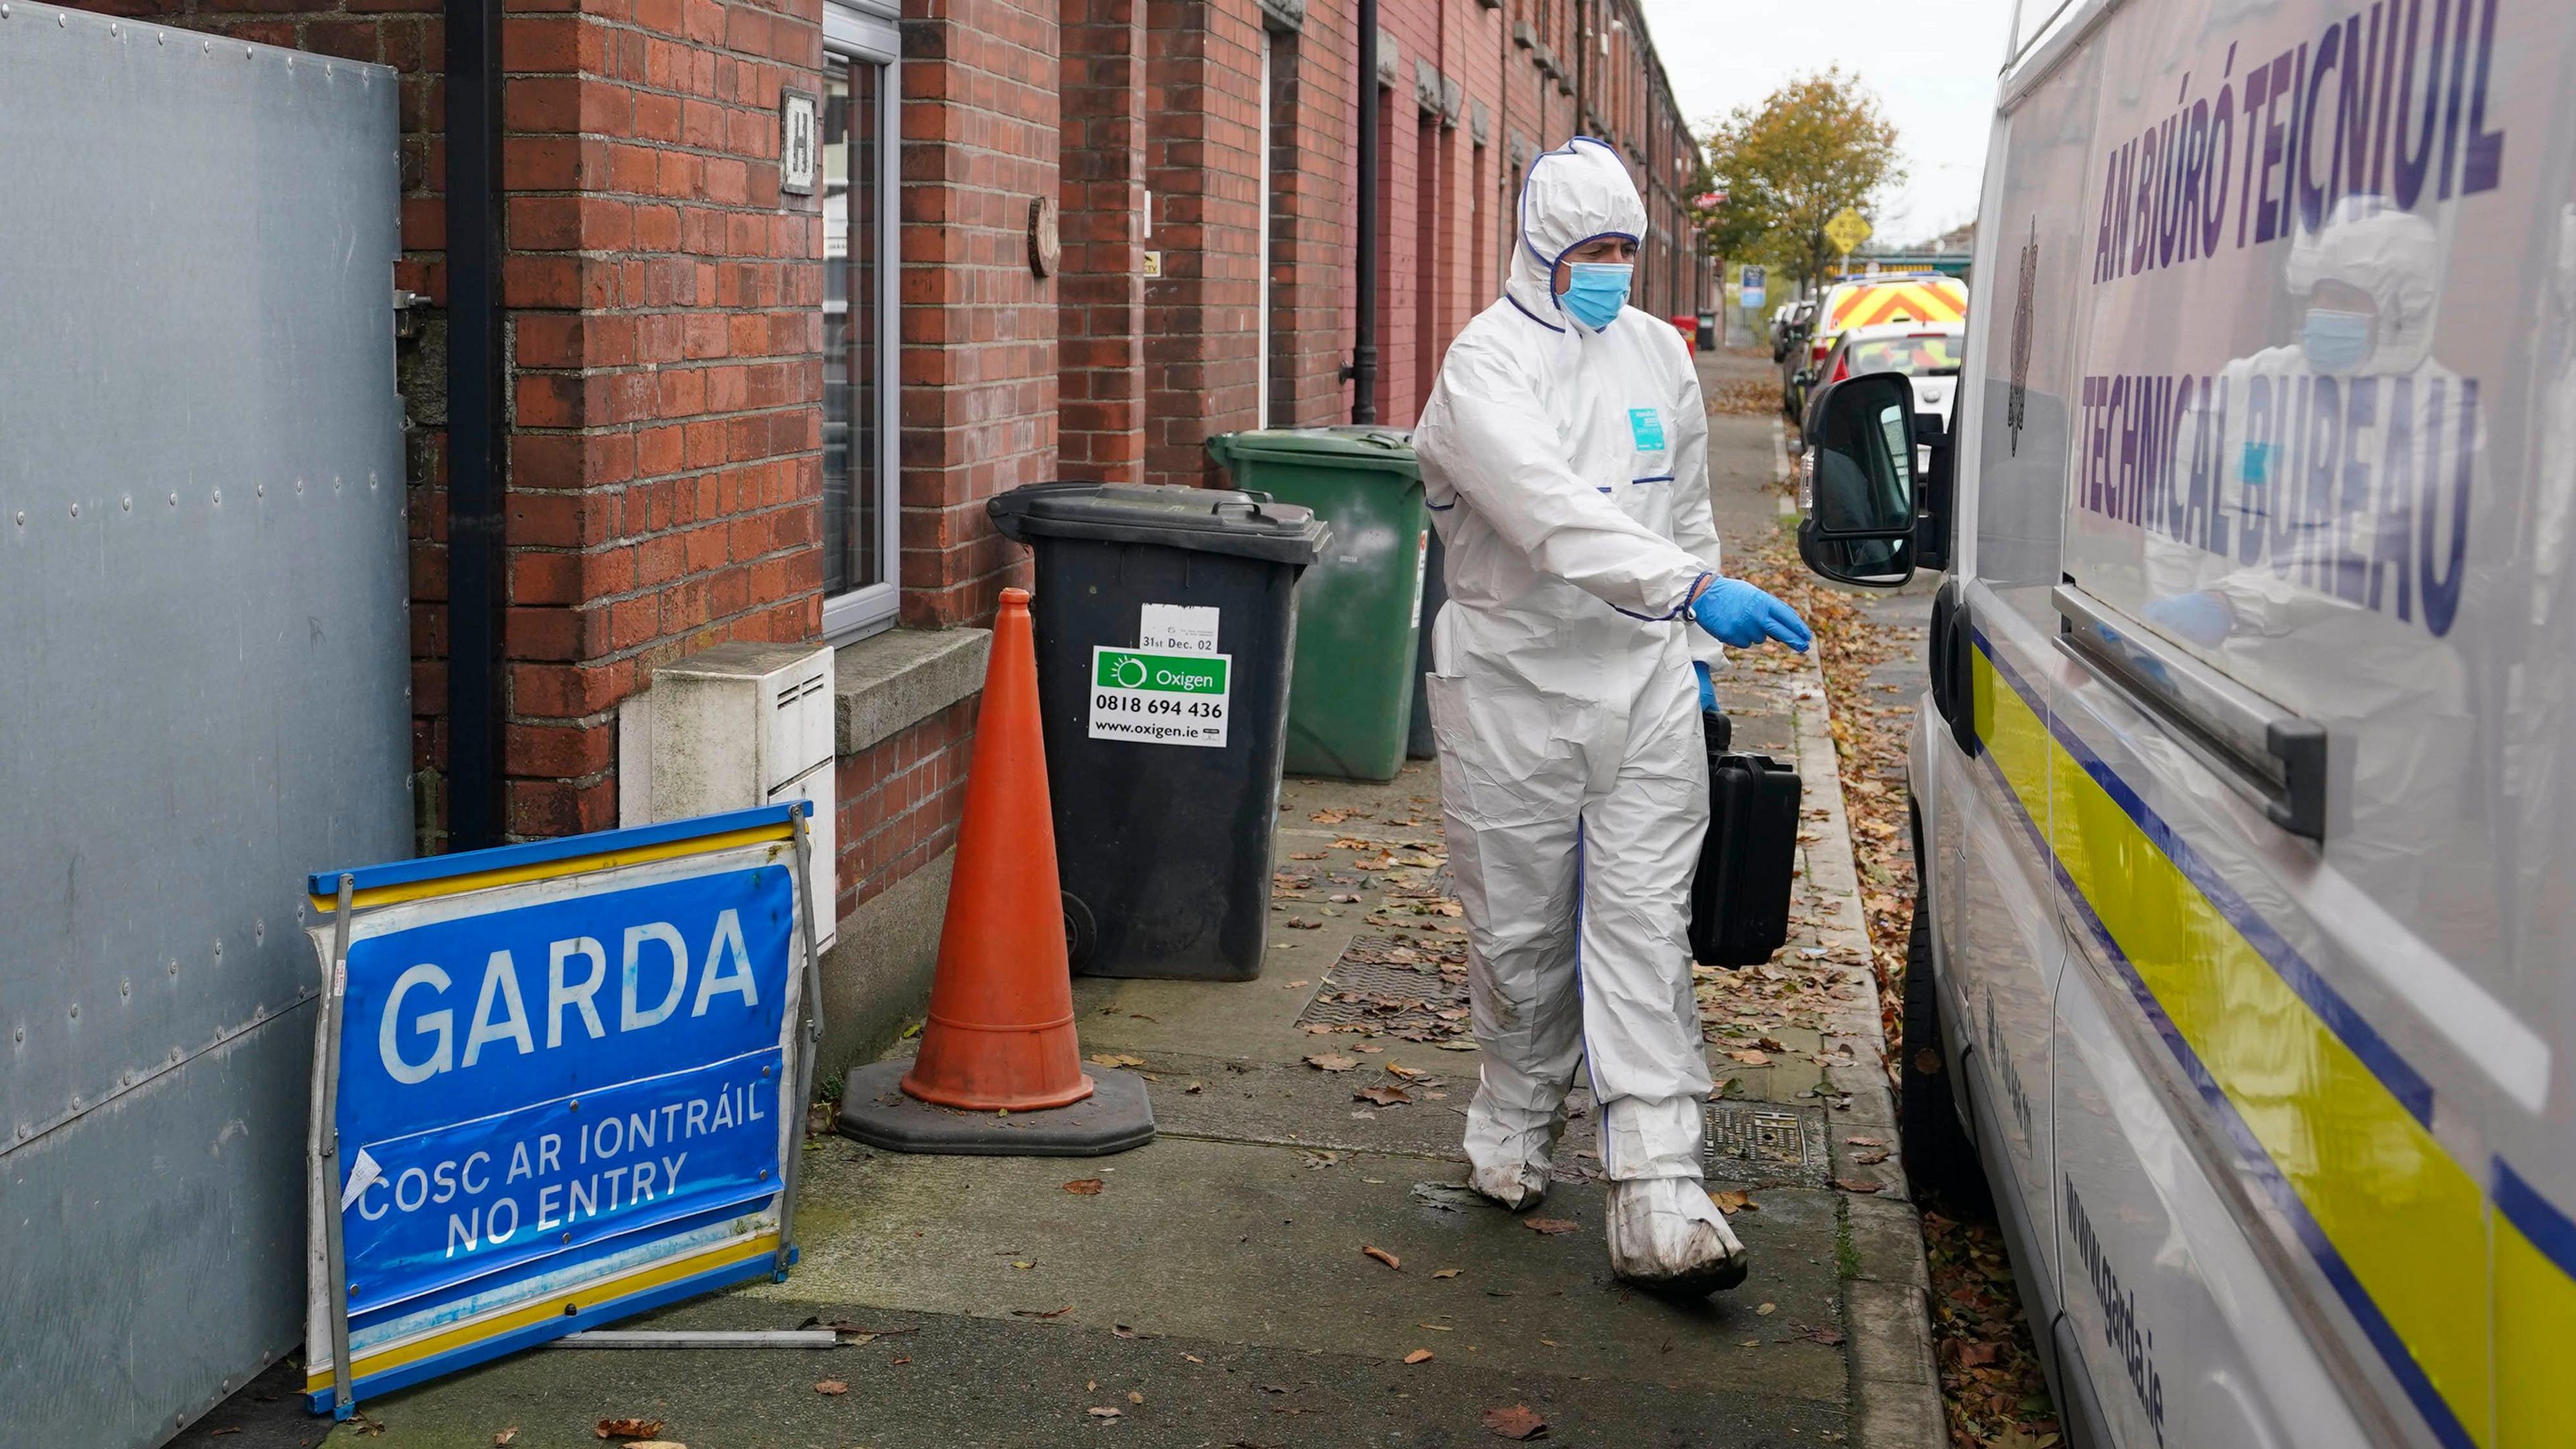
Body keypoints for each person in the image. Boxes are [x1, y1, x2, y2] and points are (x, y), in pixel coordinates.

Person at [1411, 136, 1813, 1297]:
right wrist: (1691, 596)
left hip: (1639, 686)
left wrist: (1689, 649)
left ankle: (1659, 1192)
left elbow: (1684, 510)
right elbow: (1548, 515)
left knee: (1642, 932)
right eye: (1592, 251)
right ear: (1541, 252)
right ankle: (1516, 1115)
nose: (1613, 271)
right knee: (1522, 939)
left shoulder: (1654, 356)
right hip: (1515, 689)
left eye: (1626, 251)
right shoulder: (1483, 370)